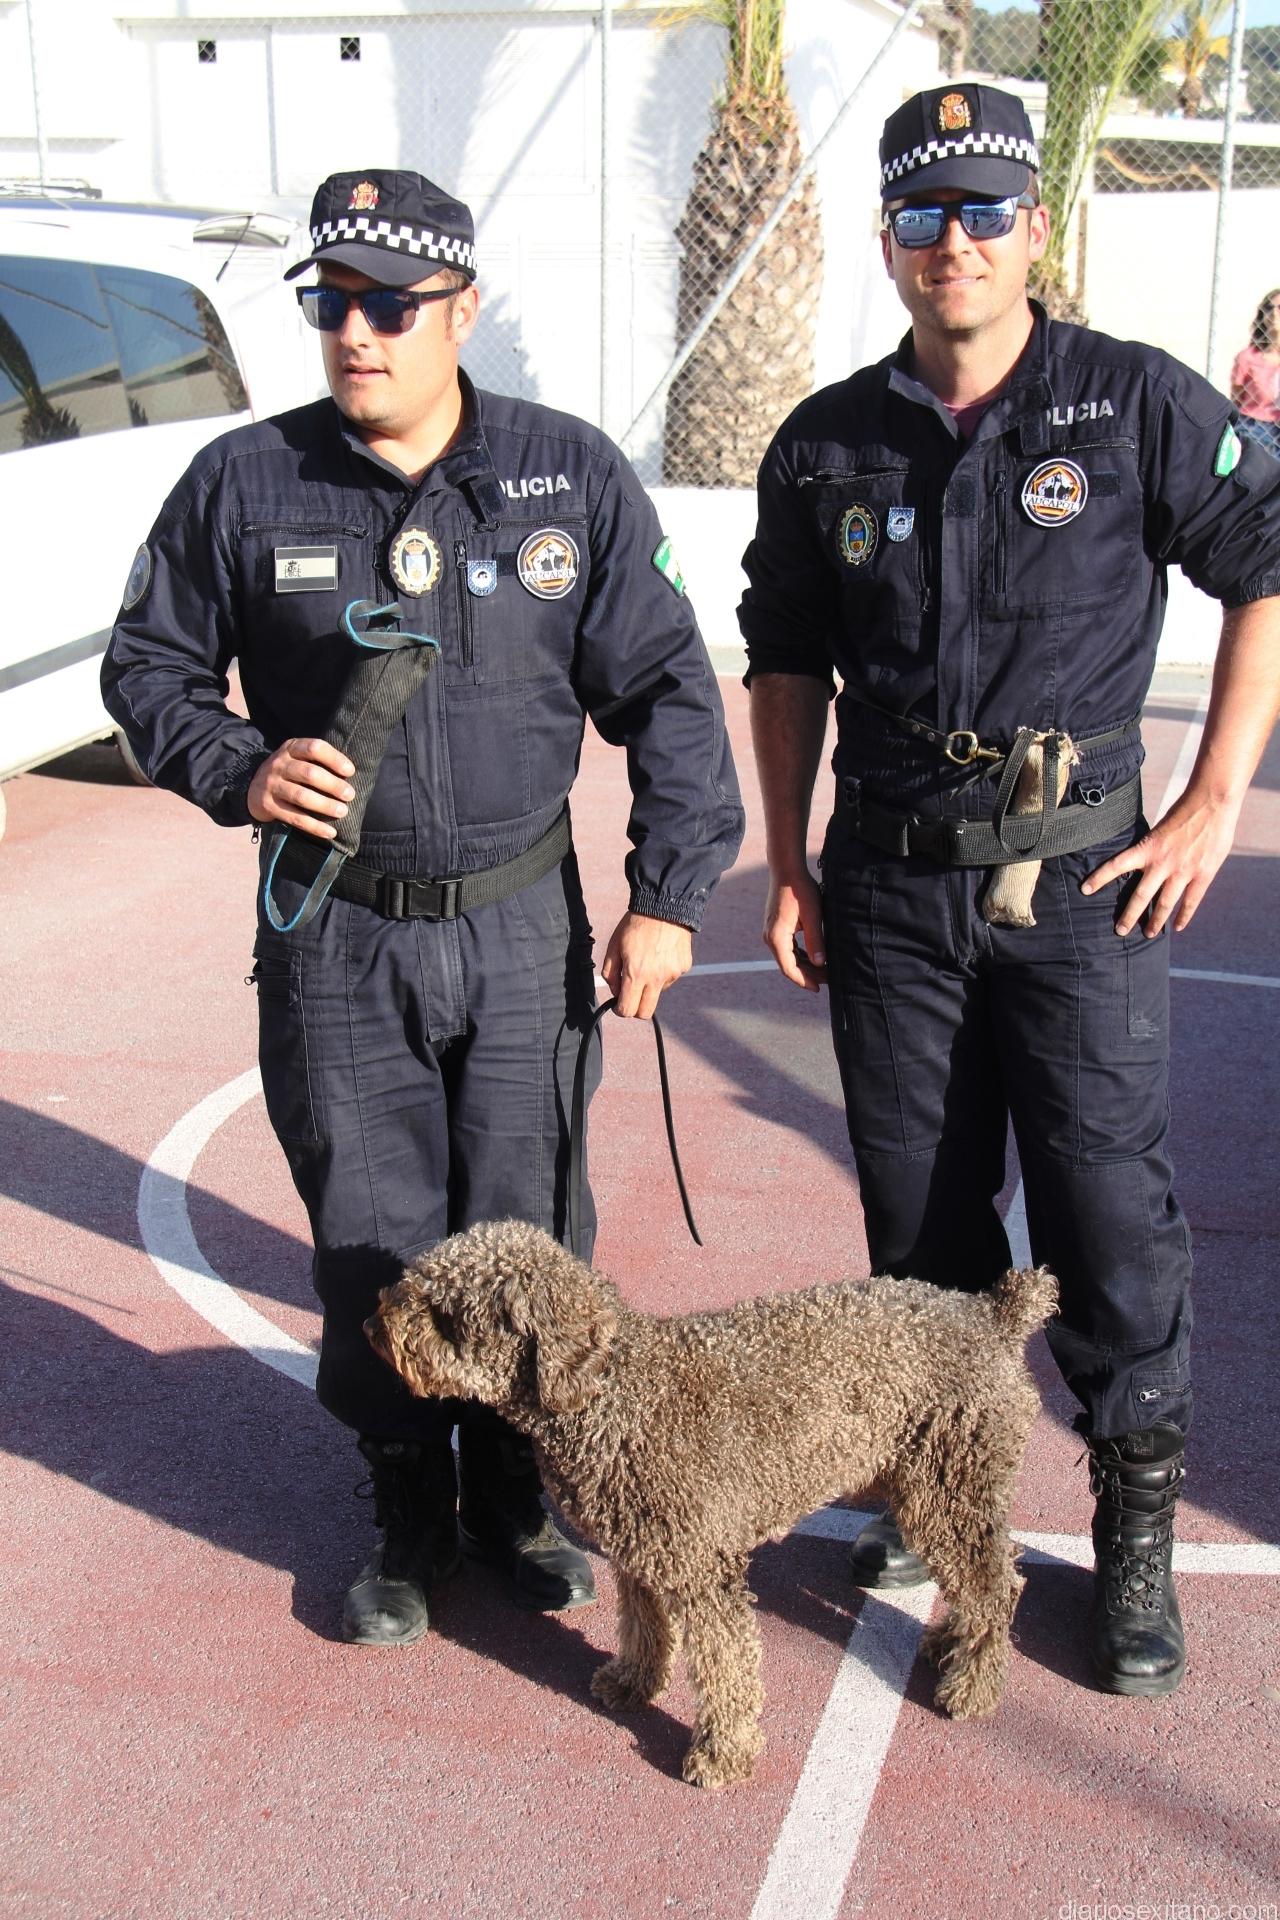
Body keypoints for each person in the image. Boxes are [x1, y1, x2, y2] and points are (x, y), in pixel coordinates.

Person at [103, 168, 744, 1648]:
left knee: (528, 1226)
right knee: (370, 1229)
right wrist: (240, 767)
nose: (357, 333)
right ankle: (406, 1506)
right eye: (332, 302)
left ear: (461, 309)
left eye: (391, 305)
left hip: (521, 926)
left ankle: (514, 1498)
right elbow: (146, 669)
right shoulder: (244, 483)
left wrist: (665, 897)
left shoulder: (565, 476)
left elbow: (668, 691)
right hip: (337, 933)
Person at [739, 85, 1280, 1698]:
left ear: (1033, 227)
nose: (954, 242)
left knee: (1109, 1217)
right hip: (894, 892)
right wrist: (786, 855)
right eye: (924, 214)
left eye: (983, 211)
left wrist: (1214, 802)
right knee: (919, 1219)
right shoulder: (825, 442)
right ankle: (937, 1483)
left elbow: (1267, 564)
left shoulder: (1133, 403)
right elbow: (784, 656)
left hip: (1085, 886)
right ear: (888, 241)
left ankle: (1129, 1532)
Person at [1230, 289, 1280, 458]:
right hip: (1255, 426)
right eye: (1269, 308)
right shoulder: (1248, 357)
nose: (1274, 313)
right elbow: (1236, 399)